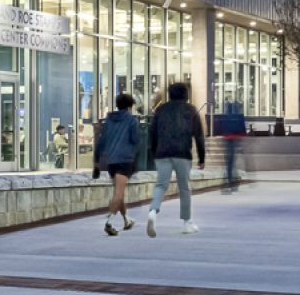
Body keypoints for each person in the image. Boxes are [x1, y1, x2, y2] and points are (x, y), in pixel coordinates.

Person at [145, 82, 205, 235]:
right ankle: (187, 223)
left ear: (170, 94)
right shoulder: (190, 110)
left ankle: (153, 211)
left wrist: (154, 152)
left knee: (160, 185)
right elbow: (198, 135)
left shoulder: (160, 110)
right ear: (185, 94)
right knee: (184, 187)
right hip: (182, 153)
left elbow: (152, 133)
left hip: (162, 153)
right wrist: (201, 157)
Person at [93, 93, 145, 236]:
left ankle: (126, 220)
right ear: (130, 106)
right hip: (125, 160)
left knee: (119, 191)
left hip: (111, 161)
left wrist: (96, 162)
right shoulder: (132, 120)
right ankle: (109, 222)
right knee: (119, 192)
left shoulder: (109, 121)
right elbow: (135, 140)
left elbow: (101, 142)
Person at [216, 101, 248, 193]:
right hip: (235, 139)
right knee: (232, 162)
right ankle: (232, 183)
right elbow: (242, 128)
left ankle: (230, 183)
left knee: (229, 163)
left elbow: (221, 128)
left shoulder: (226, 117)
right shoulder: (238, 117)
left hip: (228, 139)